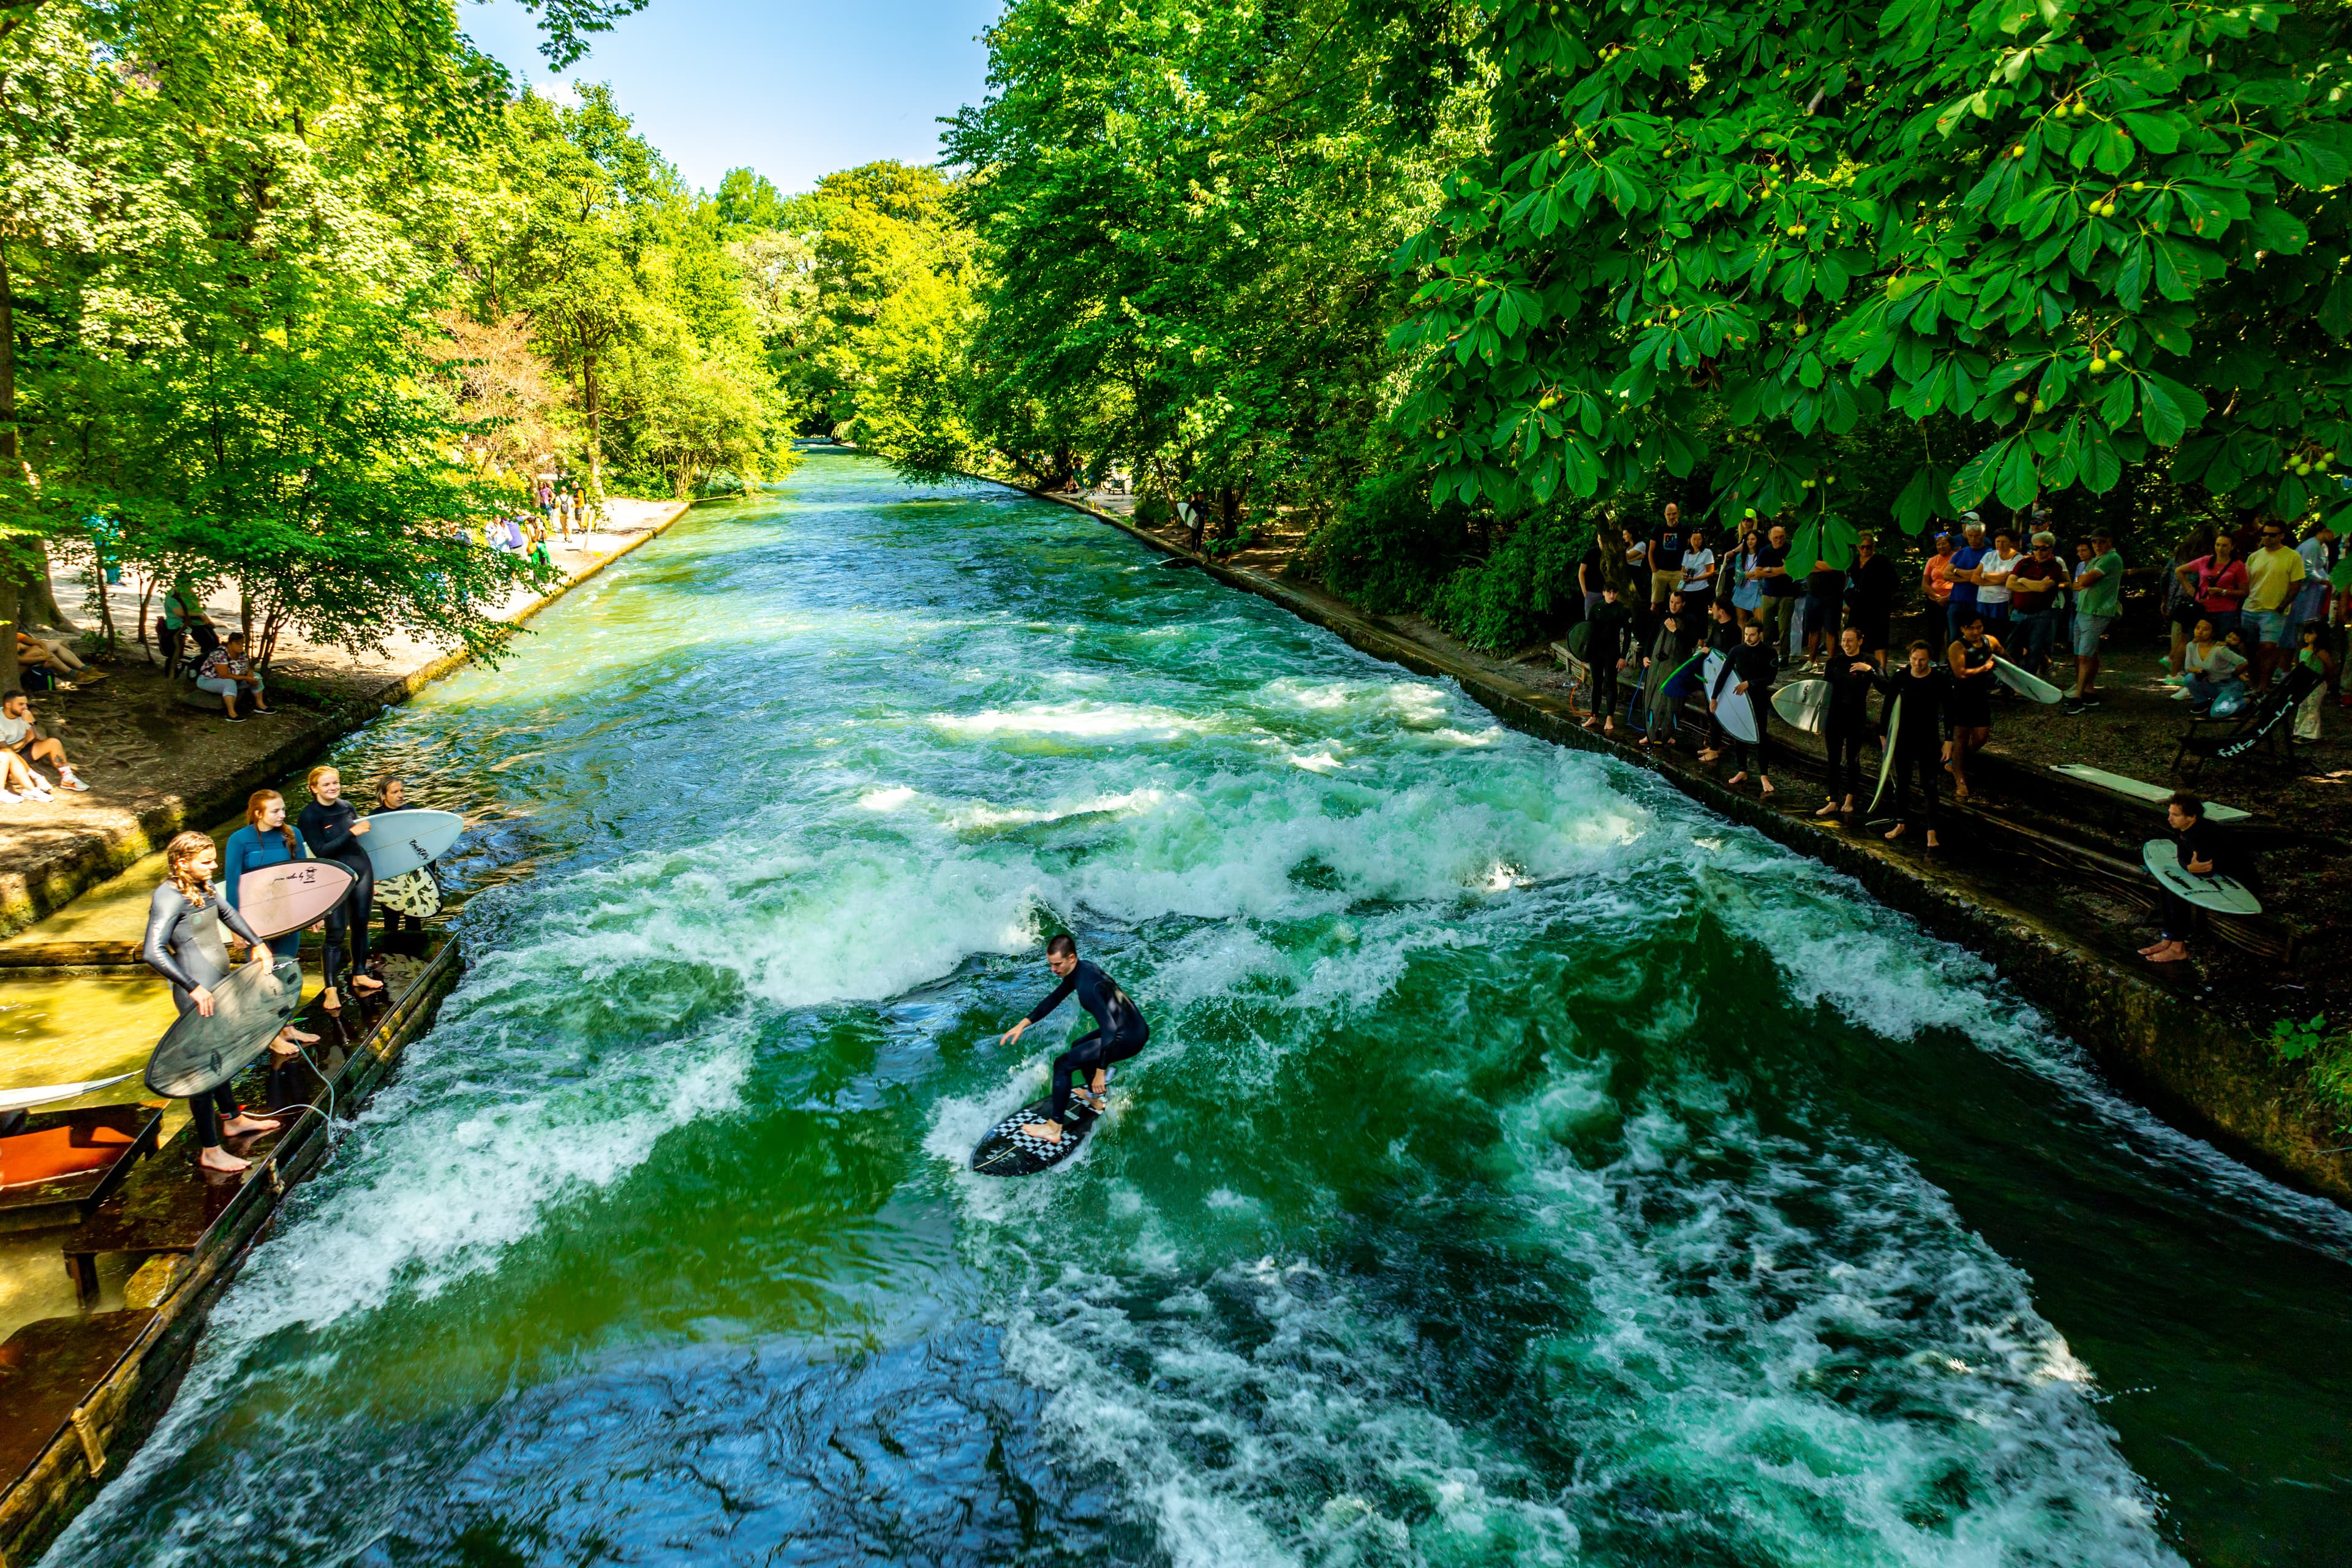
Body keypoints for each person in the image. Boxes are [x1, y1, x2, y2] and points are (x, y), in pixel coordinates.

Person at [142, 831, 283, 1173]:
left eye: (214, 859)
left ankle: (233, 1119)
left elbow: (228, 913)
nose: (214, 865)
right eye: (206, 861)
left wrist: (258, 943)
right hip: (198, 994)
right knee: (202, 1071)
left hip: (218, 984)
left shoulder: (202, 886)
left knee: (222, 1053)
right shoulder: (168, 896)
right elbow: (153, 951)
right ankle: (210, 1149)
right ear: (182, 863)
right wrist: (192, 987)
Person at [999, 933, 1150, 1144]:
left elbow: (1108, 1029)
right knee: (1078, 1047)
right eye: (1051, 964)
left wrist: (1100, 1072)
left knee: (1062, 1064)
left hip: (1127, 1037)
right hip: (1134, 1027)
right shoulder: (1082, 969)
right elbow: (1054, 998)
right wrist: (1023, 1024)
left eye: (1057, 964)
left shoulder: (1088, 988)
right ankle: (1093, 1099)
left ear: (1071, 958)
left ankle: (1054, 1128)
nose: (1053, 969)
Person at [221, 789, 324, 1056]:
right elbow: (233, 885)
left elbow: (305, 876)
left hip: (289, 916)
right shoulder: (239, 840)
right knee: (263, 979)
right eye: (276, 811)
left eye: (283, 810)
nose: (282, 815)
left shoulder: (293, 835)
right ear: (258, 813)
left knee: (286, 973)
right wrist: (237, 928)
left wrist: (314, 912)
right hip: (255, 923)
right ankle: (271, 1036)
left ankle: (287, 1028)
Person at [298, 766, 383, 1008]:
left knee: (361, 924)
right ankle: (331, 989)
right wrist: (351, 831)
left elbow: (358, 844)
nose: (333, 788)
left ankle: (359, 974)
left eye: (335, 783)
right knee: (335, 932)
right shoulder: (309, 815)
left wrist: (374, 875)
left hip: (362, 869)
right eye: (326, 785)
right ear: (314, 788)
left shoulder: (346, 806)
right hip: (333, 875)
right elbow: (321, 851)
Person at [1881, 641, 1950, 848]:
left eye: (1922, 660)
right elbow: (1887, 707)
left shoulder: (1939, 679)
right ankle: (1901, 823)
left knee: (1929, 785)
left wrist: (1949, 741)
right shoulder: (1901, 677)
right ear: (1909, 658)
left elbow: (1950, 710)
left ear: (1929, 660)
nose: (1917, 664)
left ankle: (1932, 831)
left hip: (1928, 738)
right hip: (1903, 738)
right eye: (1914, 659)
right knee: (1902, 782)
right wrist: (1884, 736)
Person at [2141, 794, 2219, 965]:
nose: (2169, 819)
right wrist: (2188, 867)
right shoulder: (2185, 830)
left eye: (2175, 815)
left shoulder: (2202, 834)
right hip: (2210, 874)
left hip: (2232, 881)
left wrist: (2188, 868)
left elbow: (2204, 869)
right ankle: (2168, 938)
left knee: (2177, 887)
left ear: (2191, 817)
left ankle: (2178, 948)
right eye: (2170, 813)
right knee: (2166, 881)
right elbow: (2183, 858)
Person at [371, 774, 442, 951]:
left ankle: (416, 952)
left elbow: (427, 845)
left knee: (414, 914)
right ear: (383, 796)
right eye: (395, 792)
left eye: (402, 791)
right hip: (390, 875)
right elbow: (372, 850)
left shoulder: (413, 813)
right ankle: (390, 953)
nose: (400, 795)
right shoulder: (374, 818)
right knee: (391, 917)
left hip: (414, 872)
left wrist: (431, 873)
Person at [1815, 627, 1880, 818]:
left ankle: (1850, 798)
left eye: (1850, 641)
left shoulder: (1869, 661)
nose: (1846, 644)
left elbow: (1885, 686)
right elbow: (1824, 692)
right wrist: (1820, 721)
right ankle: (1833, 801)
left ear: (1860, 641)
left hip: (1856, 718)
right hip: (1834, 717)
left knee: (1853, 759)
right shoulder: (1834, 662)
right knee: (1832, 759)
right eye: (1843, 640)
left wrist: (1869, 671)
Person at [2242, 518, 2307, 692]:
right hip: (2250, 608)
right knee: (2250, 649)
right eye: (2265, 534)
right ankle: (2254, 684)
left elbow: (2296, 585)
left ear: (2281, 536)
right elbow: (2246, 584)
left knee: (2268, 648)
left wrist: (2282, 605)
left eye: (2272, 535)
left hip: (2274, 610)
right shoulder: (2254, 557)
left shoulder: (2292, 556)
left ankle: (2264, 686)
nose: (2267, 538)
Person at [1717, 620, 1777, 796]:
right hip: (1739, 700)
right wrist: (1714, 697)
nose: (1748, 638)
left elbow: (1770, 679)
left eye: (1752, 635)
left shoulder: (1770, 652)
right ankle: (1742, 770)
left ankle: (1764, 776)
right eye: (1746, 634)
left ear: (1761, 634)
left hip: (1758, 699)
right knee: (1739, 734)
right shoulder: (1737, 651)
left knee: (1760, 737)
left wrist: (1749, 683)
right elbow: (1723, 674)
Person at [2068, 530, 2124, 714]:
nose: (2098, 545)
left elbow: (2084, 579)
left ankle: (2078, 698)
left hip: (2096, 611)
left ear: (2110, 541)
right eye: (2095, 542)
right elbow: (2078, 583)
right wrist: (2083, 581)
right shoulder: (2096, 560)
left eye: (2102, 541)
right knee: (2083, 653)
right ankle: (2087, 690)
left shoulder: (2111, 559)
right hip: (2083, 610)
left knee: (2085, 655)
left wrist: (2084, 581)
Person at [1945, 614, 2000, 799]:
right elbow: (1960, 673)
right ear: (1962, 629)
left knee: (1981, 737)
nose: (1976, 632)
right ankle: (1960, 780)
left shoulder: (1990, 641)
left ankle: (1955, 762)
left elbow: (2004, 656)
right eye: (1971, 628)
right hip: (1960, 697)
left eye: (1979, 627)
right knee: (1961, 736)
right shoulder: (1957, 647)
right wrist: (1984, 668)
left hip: (1980, 696)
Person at [0, 692, 87, 793]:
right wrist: (26, 740)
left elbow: (42, 737)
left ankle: (68, 778)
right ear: (8, 705)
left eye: (26, 704)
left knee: (53, 742)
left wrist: (33, 722)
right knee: (9, 753)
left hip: (23, 750)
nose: (25, 707)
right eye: (21, 704)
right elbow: (5, 749)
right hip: (6, 757)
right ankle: (35, 778)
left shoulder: (23, 714)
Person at [2007, 532, 2066, 679]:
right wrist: (2035, 584)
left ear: (2051, 548)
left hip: (2041, 614)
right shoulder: (2024, 563)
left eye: (2043, 548)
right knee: (2012, 648)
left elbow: (2044, 588)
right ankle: (2008, 682)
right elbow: (2010, 584)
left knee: (2035, 649)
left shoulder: (2055, 566)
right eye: (2035, 548)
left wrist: (2022, 580)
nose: (2039, 551)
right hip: (2019, 612)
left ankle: (2028, 681)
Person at [2174, 531, 2247, 646]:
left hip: (2225, 611)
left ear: (2232, 547)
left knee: (2221, 644)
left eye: (2224, 545)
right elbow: (2179, 571)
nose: (2220, 548)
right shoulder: (2205, 560)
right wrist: (2191, 590)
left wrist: (2223, 592)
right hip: (2203, 608)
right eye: (2218, 545)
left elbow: (2244, 592)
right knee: (2196, 642)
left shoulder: (2238, 566)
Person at [1580, 583, 1635, 736]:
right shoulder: (1596, 608)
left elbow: (1628, 636)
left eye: (1614, 592)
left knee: (1611, 684)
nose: (1612, 595)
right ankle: (1594, 716)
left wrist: (1623, 657)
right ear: (1603, 593)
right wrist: (1584, 654)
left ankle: (1610, 718)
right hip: (1596, 651)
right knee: (1596, 684)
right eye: (1609, 592)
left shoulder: (1622, 610)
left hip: (1612, 652)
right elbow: (1587, 632)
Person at [1695, 597, 1743, 763]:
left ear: (1722, 611)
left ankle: (1715, 749)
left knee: (1716, 709)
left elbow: (1729, 653)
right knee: (1710, 710)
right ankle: (1715, 744)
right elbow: (1709, 644)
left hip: (1725, 676)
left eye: (1714, 609)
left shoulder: (1734, 630)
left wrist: (1712, 650)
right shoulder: (1716, 626)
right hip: (1712, 674)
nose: (1712, 611)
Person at [1640, 606, 1692, 750]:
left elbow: (1690, 643)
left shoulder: (1688, 619)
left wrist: (1675, 630)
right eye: (1671, 602)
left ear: (1683, 604)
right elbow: (1651, 638)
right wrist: (1645, 655)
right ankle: (1648, 732)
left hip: (1675, 664)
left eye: (1677, 603)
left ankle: (1668, 733)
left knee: (1671, 701)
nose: (1674, 606)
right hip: (1658, 666)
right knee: (1653, 697)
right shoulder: (1662, 617)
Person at [195, 633, 274, 720]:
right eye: (237, 643)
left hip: (235, 680)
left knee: (257, 676)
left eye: (242, 643)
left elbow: (248, 668)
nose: (240, 646)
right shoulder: (220, 654)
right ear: (230, 644)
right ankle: (231, 714)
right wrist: (245, 678)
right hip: (209, 680)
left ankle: (260, 705)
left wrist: (250, 675)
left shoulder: (242, 654)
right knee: (229, 682)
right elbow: (224, 675)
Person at [1844, 532, 1897, 661]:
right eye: (1863, 547)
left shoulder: (1881, 561)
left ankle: (1881, 674)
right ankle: (1857, 670)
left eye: (1869, 547)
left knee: (1879, 640)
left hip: (1877, 607)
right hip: (1858, 607)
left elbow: (1894, 583)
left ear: (1873, 547)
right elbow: (1847, 581)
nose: (1865, 550)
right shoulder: (1854, 562)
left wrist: (1885, 600)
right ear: (1858, 547)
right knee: (1857, 637)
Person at [2178, 618, 2249, 715]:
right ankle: (2203, 702)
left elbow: (2244, 663)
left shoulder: (2220, 649)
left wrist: (2234, 674)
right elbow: (2188, 667)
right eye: (2198, 628)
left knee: (2217, 713)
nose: (2200, 632)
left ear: (2213, 633)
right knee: (2189, 678)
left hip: (2229, 686)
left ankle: (2247, 701)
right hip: (2212, 685)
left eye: (2205, 629)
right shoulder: (2191, 646)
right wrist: (2198, 670)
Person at [1749, 523, 1797, 656]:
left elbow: (1790, 570)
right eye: (1776, 537)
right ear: (1770, 537)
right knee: (1767, 627)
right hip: (1769, 593)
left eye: (1782, 537)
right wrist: (1779, 570)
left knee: (1785, 628)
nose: (1779, 540)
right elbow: (1758, 573)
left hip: (1787, 594)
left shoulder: (1791, 549)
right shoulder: (1765, 551)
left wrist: (1769, 569)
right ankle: (1766, 655)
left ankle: (1784, 656)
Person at [159, 576, 219, 678]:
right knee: (209, 643)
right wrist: (200, 616)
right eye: (188, 583)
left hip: (195, 621)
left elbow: (197, 608)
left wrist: (206, 619)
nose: (190, 585)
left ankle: (204, 665)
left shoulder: (189, 593)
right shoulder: (173, 595)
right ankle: (197, 666)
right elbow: (180, 613)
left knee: (215, 643)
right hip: (181, 623)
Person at [1801, 545, 1847, 666]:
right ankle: (1812, 661)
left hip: (1833, 595)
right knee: (1813, 629)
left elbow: (1831, 567)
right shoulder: (1813, 546)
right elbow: (1803, 566)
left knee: (1831, 630)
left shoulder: (1839, 547)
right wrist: (1818, 565)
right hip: (1813, 594)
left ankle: (1830, 663)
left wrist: (1811, 562)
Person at [1947, 516, 1988, 645]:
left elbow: (1980, 576)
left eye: (1977, 536)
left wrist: (1957, 571)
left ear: (1983, 535)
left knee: (1975, 638)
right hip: (1957, 600)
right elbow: (1947, 575)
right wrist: (1970, 576)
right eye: (1970, 536)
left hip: (1977, 601)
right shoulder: (1961, 552)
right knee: (1954, 636)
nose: (1973, 539)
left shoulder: (1989, 553)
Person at [1974, 529, 2021, 636]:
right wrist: (1994, 578)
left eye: (2004, 541)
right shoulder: (1989, 555)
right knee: (1983, 632)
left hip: (2001, 601)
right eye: (1998, 541)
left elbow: (2006, 579)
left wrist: (1984, 575)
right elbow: (1974, 578)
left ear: (2011, 543)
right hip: (1982, 600)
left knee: (1999, 632)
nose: (2000, 544)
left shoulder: (2017, 558)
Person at [1648, 502, 1687, 611]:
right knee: (1655, 603)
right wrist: (1654, 570)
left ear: (1678, 514)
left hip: (1678, 572)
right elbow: (1651, 551)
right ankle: (1654, 626)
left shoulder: (1685, 529)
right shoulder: (1658, 529)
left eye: (1674, 514)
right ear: (1665, 515)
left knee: (1680, 603)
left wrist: (1684, 570)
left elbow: (1690, 550)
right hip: (1660, 571)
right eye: (1669, 514)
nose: (1671, 517)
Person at [1728, 522, 1765, 627]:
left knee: (1759, 621)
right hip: (1742, 587)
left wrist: (1750, 574)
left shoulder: (1762, 555)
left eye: (1753, 539)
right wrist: (1754, 573)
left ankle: (1759, 641)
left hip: (1758, 588)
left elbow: (1763, 573)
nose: (1750, 542)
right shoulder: (1740, 557)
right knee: (1741, 620)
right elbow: (1740, 574)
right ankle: (1742, 642)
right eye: (1748, 539)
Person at [1677, 526, 1716, 620]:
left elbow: (1710, 572)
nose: (1696, 542)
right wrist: (1684, 577)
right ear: (1690, 540)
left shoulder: (1707, 553)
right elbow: (1683, 570)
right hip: (1687, 590)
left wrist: (1695, 579)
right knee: (1687, 617)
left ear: (1703, 540)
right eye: (1694, 539)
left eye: (1699, 539)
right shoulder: (1687, 553)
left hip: (1701, 589)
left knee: (1701, 616)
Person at [1921, 532, 1956, 635]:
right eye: (1938, 544)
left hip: (1953, 601)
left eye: (1944, 544)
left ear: (1950, 544)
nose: (1941, 546)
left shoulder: (1958, 558)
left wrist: (1948, 598)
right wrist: (1938, 598)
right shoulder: (1932, 560)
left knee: (1953, 634)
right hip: (1934, 602)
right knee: (1934, 635)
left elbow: (1963, 582)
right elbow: (1925, 584)